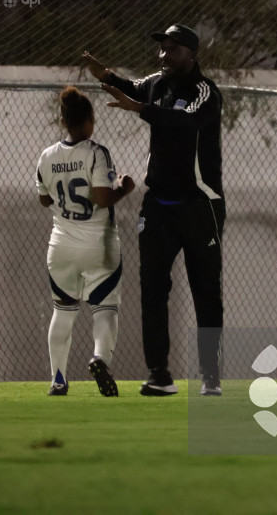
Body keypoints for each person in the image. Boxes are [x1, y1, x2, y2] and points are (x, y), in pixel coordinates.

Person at [83, 24, 225, 396]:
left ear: (191, 55)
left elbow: (189, 121)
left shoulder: (205, 92)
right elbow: (131, 88)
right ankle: (159, 374)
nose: (163, 55)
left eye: (172, 49)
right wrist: (107, 75)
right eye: (161, 48)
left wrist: (143, 110)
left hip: (199, 205)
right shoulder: (155, 84)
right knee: (153, 290)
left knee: (206, 292)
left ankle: (210, 376)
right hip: (157, 206)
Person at [36, 86, 135, 396]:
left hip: (61, 246)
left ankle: (58, 379)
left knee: (63, 311)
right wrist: (124, 187)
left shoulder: (47, 156)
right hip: (99, 245)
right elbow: (103, 198)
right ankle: (100, 358)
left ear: (64, 122)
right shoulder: (96, 152)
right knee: (105, 306)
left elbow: (43, 200)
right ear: (90, 120)